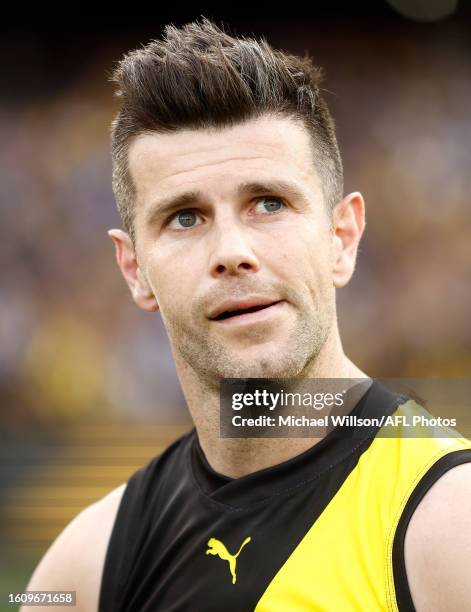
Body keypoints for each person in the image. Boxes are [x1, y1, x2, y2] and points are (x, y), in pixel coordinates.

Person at [23, 17, 471, 612]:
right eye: (185, 217)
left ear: (342, 238)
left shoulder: (449, 528)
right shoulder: (83, 570)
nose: (232, 252)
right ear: (134, 269)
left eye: (268, 203)